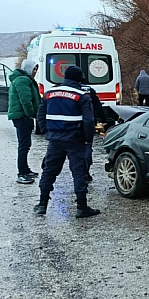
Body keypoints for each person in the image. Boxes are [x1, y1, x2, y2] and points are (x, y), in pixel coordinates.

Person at [33, 65, 100, 218]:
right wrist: (87, 140)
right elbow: (89, 121)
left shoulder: (50, 93)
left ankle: (42, 204)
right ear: (79, 79)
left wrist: (47, 132)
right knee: (79, 173)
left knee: (49, 171)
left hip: (55, 140)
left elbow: (40, 115)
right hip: (75, 140)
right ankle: (82, 207)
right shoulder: (81, 95)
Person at [7, 59, 41, 184]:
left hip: (22, 116)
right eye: (34, 69)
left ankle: (25, 169)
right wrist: (31, 114)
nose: (35, 71)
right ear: (28, 69)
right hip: (22, 117)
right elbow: (26, 100)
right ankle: (22, 173)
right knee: (23, 146)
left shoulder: (23, 79)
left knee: (25, 145)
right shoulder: (23, 80)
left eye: (36, 69)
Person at [80, 79, 107, 183]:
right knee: (87, 146)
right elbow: (97, 106)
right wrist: (104, 120)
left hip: (70, 126)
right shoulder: (88, 90)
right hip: (87, 124)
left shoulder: (65, 90)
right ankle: (85, 172)